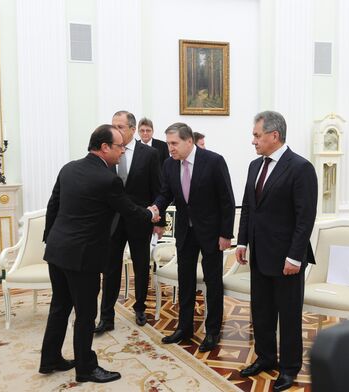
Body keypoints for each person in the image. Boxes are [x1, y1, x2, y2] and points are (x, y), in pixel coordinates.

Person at [39, 124, 157, 383]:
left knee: (59, 306)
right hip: (83, 257)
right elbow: (128, 210)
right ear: (104, 148)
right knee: (85, 313)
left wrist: (51, 240)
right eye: (119, 148)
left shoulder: (68, 168)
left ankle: (50, 359)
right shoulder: (107, 179)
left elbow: (53, 206)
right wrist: (150, 214)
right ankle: (86, 368)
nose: (123, 153)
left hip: (58, 251)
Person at [236, 111, 318, 392]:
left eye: (257, 135)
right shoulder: (253, 166)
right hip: (258, 254)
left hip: (287, 259)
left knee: (289, 315)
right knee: (261, 311)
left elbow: (305, 217)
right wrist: (242, 241)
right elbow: (248, 207)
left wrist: (295, 256)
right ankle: (266, 357)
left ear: (274, 135)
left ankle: (290, 368)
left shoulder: (300, 168)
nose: (253, 141)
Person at [151, 122, 235, 352]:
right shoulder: (169, 164)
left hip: (211, 234)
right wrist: (156, 208)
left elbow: (227, 200)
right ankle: (184, 328)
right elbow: (165, 193)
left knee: (212, 282)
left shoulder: (214, 161)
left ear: (189, 141)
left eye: (174, 143)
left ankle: (213, 331)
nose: (170, 148)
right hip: (185, 234)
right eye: (168, 143)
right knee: (185, 281)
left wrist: (226, 234)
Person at [95, 111, 163, 332]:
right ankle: (106, 316)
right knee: (110, 268)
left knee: (141, 266)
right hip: (112, 222)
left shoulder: (150, 154)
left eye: (120, 126)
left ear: (133, 129)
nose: (115, 130)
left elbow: (157, 188)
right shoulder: (106, 153)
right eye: (113, 125)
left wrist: (157, 220)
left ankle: (140, 307)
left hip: (140, 221)